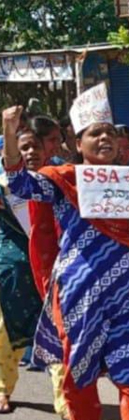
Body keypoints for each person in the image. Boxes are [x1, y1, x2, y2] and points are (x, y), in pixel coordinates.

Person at [2, 97, 129, 420]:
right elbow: (19, 183)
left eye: (109, 133)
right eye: (94, 133)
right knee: (80, 374)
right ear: (77, 143)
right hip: (80, 295)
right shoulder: (62, 179)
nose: (104, 139)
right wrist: (9, 129)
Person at [0, 148, 44, 414]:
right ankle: (3, 388)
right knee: (4, 331)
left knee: (61, 336)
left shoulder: (61, 179)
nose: (29, 152)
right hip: (13, 271)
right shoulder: (3, 183)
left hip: (55, 270)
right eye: (22, 147)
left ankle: (68, 400)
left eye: (35, 145)